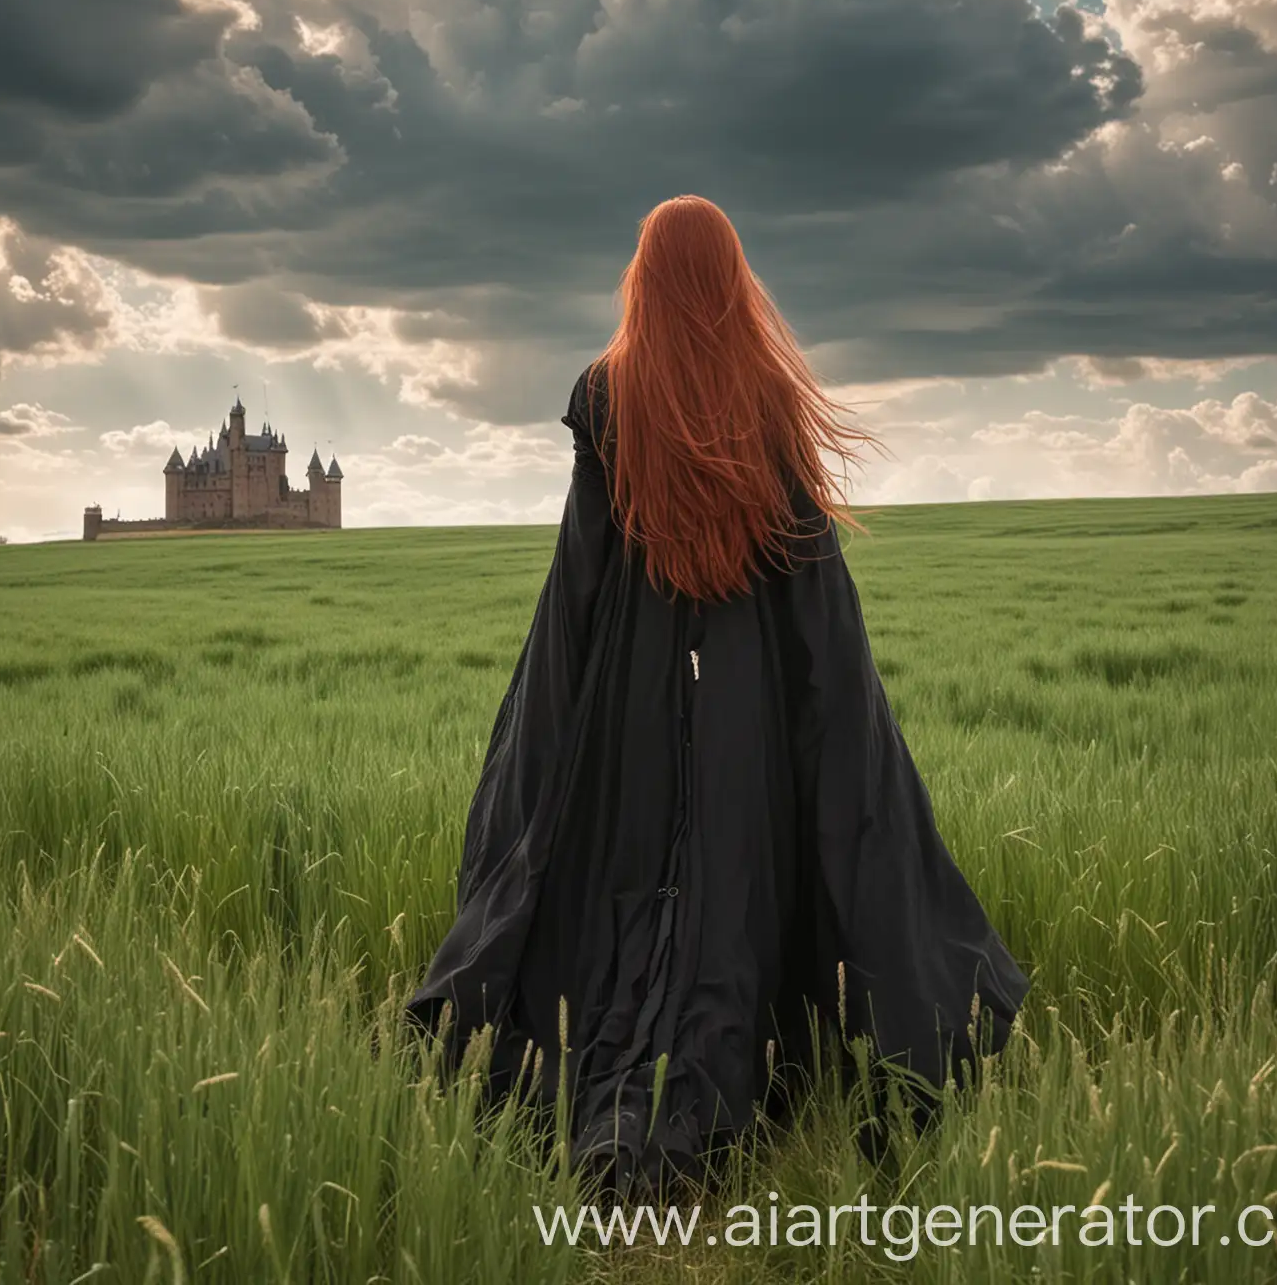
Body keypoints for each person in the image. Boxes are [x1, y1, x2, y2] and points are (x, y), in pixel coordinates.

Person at [407, 195, 1029, 1194]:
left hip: (626, 697)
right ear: (730, 275)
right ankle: (740, 1069)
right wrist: (828, 716)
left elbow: (583, 574)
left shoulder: (607, 392)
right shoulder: (764, 395)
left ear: (644, 277)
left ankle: (609, 1073)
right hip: (750, 696)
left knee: (626, 867)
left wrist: (547, 732)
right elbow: (807, 576)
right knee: (738, 877)